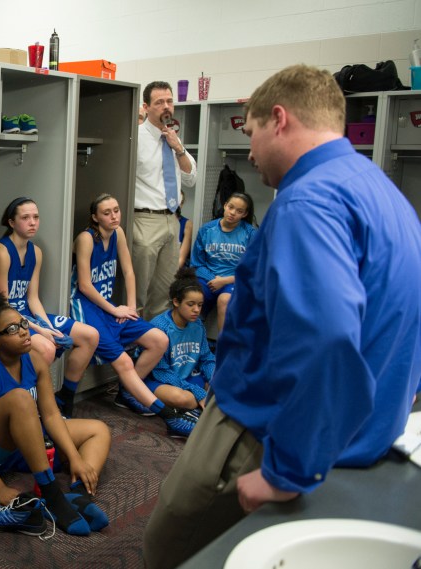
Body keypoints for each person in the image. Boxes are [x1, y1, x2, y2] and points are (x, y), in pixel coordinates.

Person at [143, 64, 421, 569]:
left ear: (279, 119)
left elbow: (328, 337)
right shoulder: (384, 193)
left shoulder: (307, 202)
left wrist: (286, 469)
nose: (249, 153)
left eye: (251, 133)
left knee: (170, 548)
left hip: (262, 429)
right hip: (358, 433)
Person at [0, 289, 111, 536]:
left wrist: (75, 458)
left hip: (23, 437)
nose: (24, 331)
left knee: (98, 430)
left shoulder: (34, 359)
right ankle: (52, 495)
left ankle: (78, 496)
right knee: (21, 399)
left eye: (23, 323)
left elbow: (51, 415)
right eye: (12, 329)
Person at [70, 194, 196, 438]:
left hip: (109, 307)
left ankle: (127, 392)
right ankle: (168, 416)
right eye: (106, 213)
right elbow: (84, 285)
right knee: (125, 362)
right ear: (95, 217)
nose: (114, 216)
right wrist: (115, 310)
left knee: (159, 339)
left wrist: (130, 308)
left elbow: (129, 271)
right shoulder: (86, 239)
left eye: (116, 210)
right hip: (85, 306)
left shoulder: (118, 233)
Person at [0, 197, 99, 416]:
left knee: (90, 336)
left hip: (27, 315)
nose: (32, 222)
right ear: (11, 222)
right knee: (47, 348)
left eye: (36, 217)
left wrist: (46, 325)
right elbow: (3, 306)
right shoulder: (2, 251)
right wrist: (40, 330)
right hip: (8, 318)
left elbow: (32, 298)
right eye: (25, 218)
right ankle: (35, 406)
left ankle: (65, 399)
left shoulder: (36, 252)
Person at [132, 81, 197, 321]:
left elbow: (191, 178)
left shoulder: (173, 138)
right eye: (159, 102)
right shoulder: (136, 137)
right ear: (146, 107)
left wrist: (178, 148)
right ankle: (133, 339)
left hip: (172, 220)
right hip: (144, 220)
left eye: (169, 101)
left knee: (164, 292)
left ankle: (155, 338)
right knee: (138, 291)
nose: (166, 106)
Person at [145, 267, 214, 414]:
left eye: (200, 305)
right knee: (183, 399)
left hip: (188, 378)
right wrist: (197, 391)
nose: (196, 310)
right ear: (176, 302)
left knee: (223, 386)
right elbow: (161, 372)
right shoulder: (160, 327)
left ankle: (199, 403)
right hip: (160, 380)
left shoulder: (198, 325)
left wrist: (214, 379)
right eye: (191, 304)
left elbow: (207, 358)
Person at [189, 192, 257, 333]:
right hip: (208, 279)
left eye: (239, 211)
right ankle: (191, 340)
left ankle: (223, 345)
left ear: (245, 214)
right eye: (230, 207)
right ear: (225, 205)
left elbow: (253, 269)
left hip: (235, 280)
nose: (232, 213)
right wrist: (213, 280)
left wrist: (225, 281)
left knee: (224, 300)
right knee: (192, 296)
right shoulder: (207, 230)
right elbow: (197, 263)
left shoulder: (250, 233)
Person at [176, 196, 193, 269]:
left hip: (177, 269)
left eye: (181, 202)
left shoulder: (187, 224)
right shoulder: (160, 222)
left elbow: (181, 259)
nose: (178, 204)